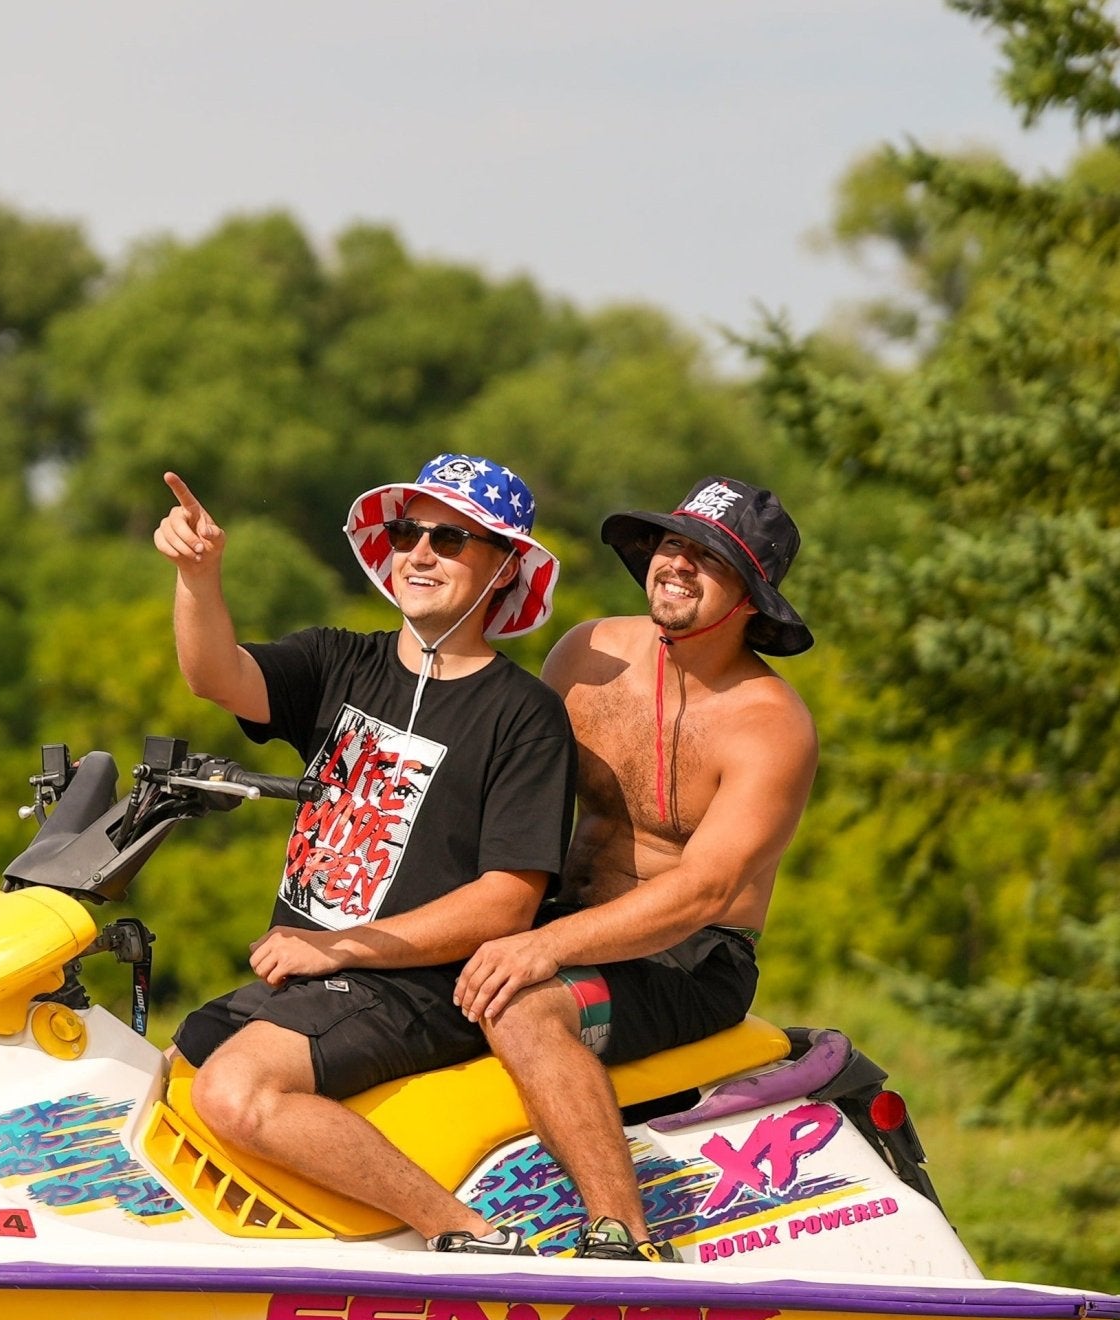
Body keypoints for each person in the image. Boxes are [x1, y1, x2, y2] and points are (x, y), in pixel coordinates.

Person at [154, 454, 576, 1254]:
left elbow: (507, 902)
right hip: (320, 981)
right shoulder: (338, 661)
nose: (420, 552)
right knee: (163, 1078)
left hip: (419, 989)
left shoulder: (527, 716)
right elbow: (216, 676)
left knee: (234, 1090)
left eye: (450, 538)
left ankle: (468, 1234)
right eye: (409, 531)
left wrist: (335, 947)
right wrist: (199, 578)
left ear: (504, 566)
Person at [453, 476, 819, 1264]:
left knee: (522, 1007)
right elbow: (507, 792)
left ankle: (623, 1238)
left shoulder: (769, 725)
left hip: (688, 957)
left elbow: (704, 890)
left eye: (710, 558)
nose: (678, 565)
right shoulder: (588, 651)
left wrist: (544, 949)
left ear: (751, 596)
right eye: (673, 544)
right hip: (555, 921)